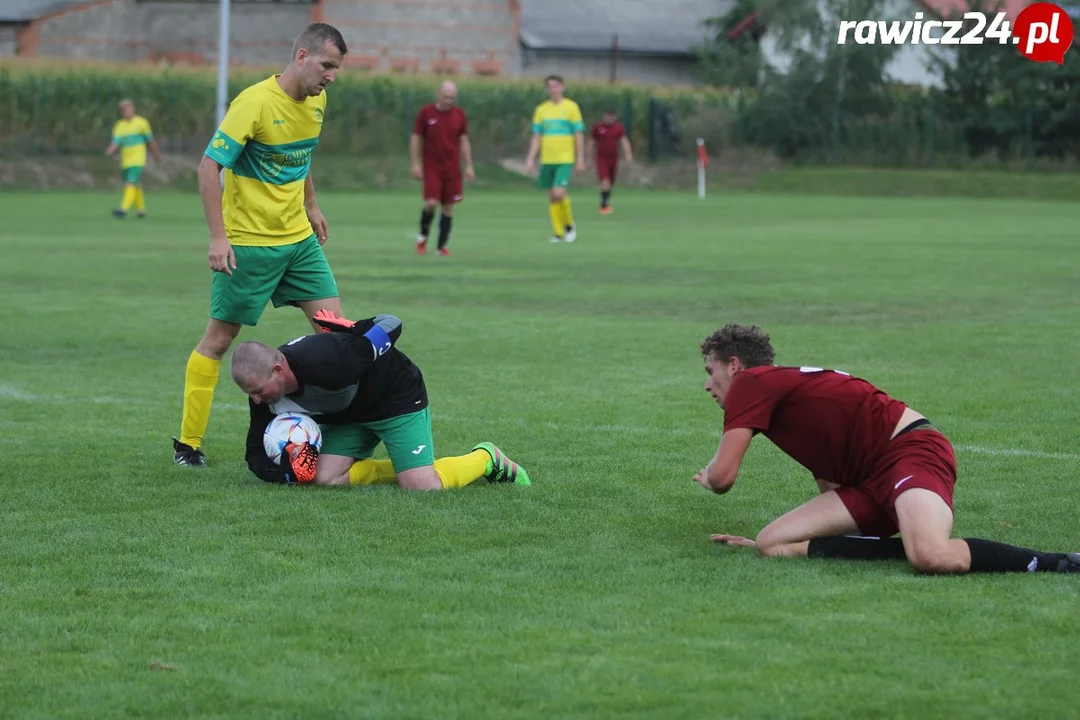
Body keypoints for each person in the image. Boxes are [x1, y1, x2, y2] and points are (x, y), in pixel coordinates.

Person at [695, 323, 1079, 575]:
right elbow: (828, 473)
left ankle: (1056, 562)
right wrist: (807, 536)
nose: (708, 386)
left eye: (710, 373)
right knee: (771, 544)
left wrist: (710, 477)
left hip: (909, 452)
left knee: (931, 557)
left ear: (734, 366)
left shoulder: (752, 385)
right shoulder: (781, 394)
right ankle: (909, 542)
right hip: (868, 483)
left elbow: (724, 478)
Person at [172, 22, 349, 468]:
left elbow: (303, 152)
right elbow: (208, 168)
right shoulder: (253, 103)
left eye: (338, 68)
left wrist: (311, 204)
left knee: (337, 335)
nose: (331, 76)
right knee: (218, 340)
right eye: (327, 65)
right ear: (302, 57)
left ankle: (335, 435)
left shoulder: (317, 101)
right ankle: (188, 444)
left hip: (299, 243)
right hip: (250, 245)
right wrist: (218, 236)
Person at [230, 310, 531, 489]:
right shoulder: (265, 396)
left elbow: (391, 322)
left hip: (394, 399)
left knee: (421, 487)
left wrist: (355, 329)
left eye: (257, 391)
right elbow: (254, 452)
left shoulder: (331, 360)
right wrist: (288, 475)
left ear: (278, 370)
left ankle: (487, 458)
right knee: (324, 479)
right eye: (250, 394)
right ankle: (405, 466)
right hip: (350, 415)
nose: (256, 401)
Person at [410, 81, 475, 257]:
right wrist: (415, 163)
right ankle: (422, 237)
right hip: (432, 166)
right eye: (446, 97)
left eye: (452, 98)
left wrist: (468, 165)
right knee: (431, 203)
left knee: (448, 207)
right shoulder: (426, 113)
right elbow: (416, 137)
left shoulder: (459, 115)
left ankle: (441, 247)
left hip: (452, 167)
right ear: (438, 94)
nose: (449, 101)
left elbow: (463, 140)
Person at [525, 75, 585, 244]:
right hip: (547, 159)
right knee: (552, 196)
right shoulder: (542, 110)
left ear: (563, 87)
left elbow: (578, 134)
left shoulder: (571, 107)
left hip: (565, 158)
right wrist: (530, 158)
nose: (553, 89)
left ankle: (569, 225)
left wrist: (580, 159)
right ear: (547, 89)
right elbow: (536, 136)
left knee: (559, 192)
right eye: (550, 87)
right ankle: (558, 233)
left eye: (556, 86)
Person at [105, 99, 161, 219]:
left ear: (133, 109)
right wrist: (109, 150)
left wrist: (156, 154)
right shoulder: (119, 126)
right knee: (135, 184)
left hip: (138, 159)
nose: (126, 111)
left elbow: (150, 140)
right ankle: (141, 211)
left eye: (128, 108)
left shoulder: (142, 123)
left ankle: (123, 209)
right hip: (126, 160)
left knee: (130, 182)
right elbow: (116, 142)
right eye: (124, 109)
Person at [587, 110, 632, 214]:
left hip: (614, 159)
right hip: (601, 158)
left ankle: (606, 201)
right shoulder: (598, 127)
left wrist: (628, 155)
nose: (610, 119)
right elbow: (591, 142)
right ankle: (604, 206)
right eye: (608, 117)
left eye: (612, 117)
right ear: (604, 116)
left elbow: (624, 141)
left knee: (610, 182)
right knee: (605, 181)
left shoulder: (618, 127)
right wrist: (588, 158)